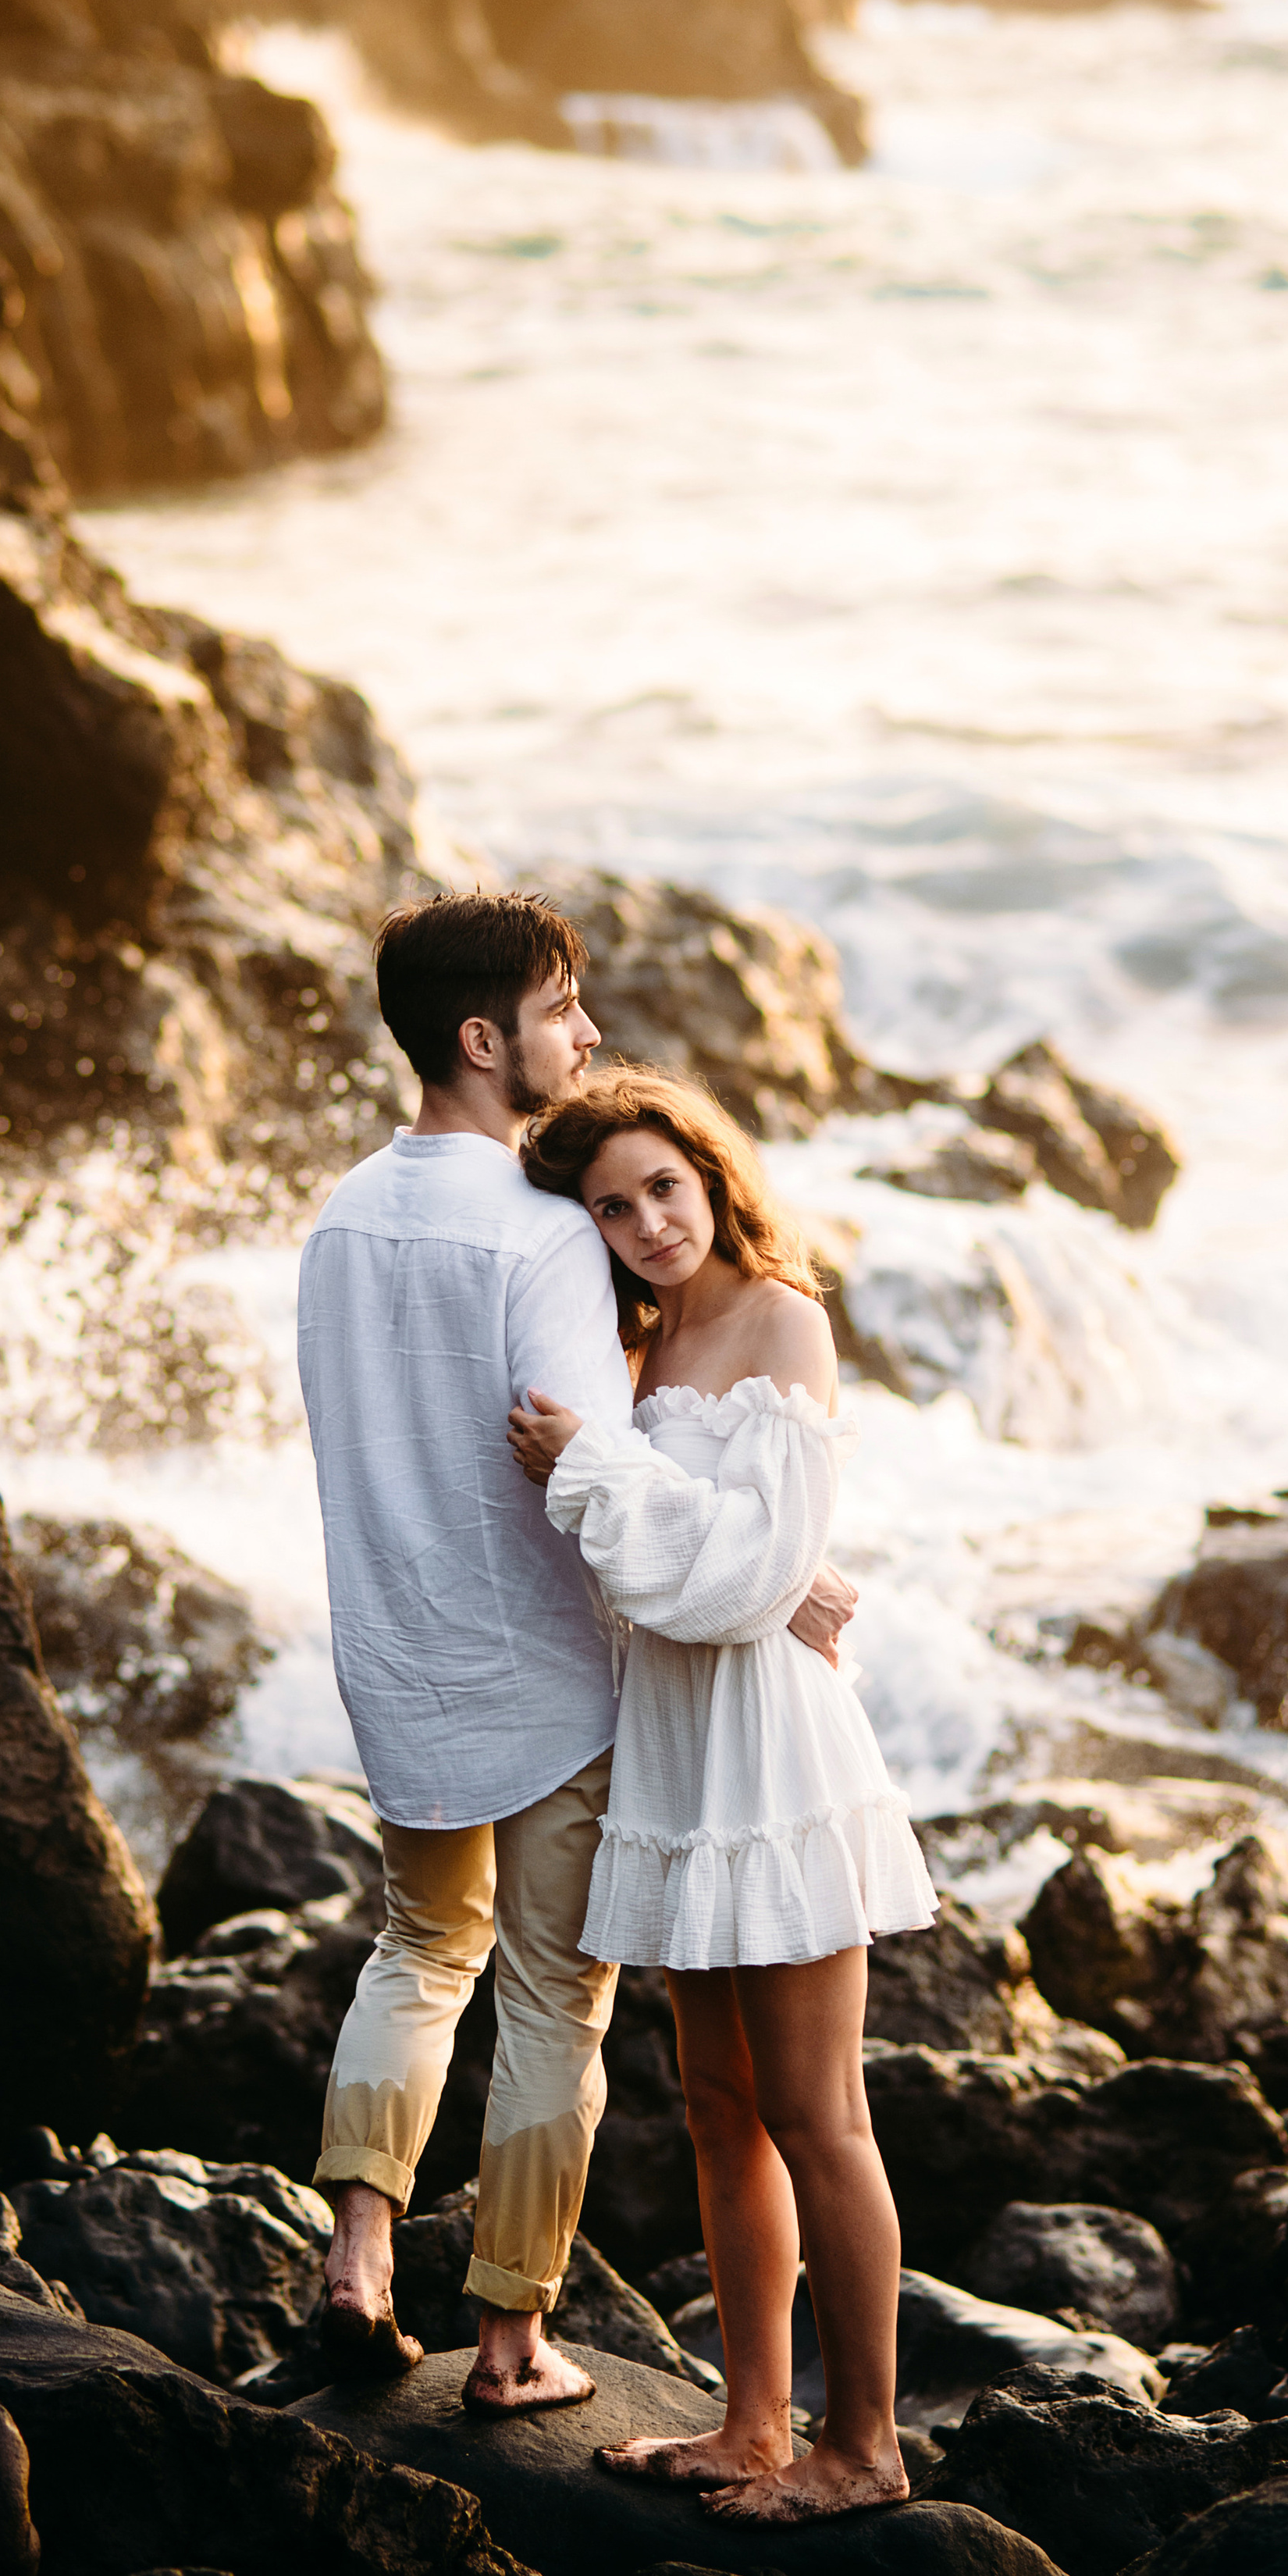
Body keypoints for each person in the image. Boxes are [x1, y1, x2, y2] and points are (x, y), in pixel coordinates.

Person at [297, 894, 857, 2414]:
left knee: (420, 1947)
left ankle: (354, 2257)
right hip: (543, 1672)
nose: (587, 1034)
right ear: (484, 1040)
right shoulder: (541, 1229)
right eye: (561, 1011)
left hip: (395, 1656)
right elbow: (602, 1481)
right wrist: (786, 1582)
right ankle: (507, 2341)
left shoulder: (343, 1214)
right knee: (555, 2000)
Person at [508, 1065, 937, 2519]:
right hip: (679, 1757)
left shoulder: (783, 1320)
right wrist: (756, 1559)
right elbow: (680, 1565)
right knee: (715, 2107)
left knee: (819, 2114)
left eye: (664, 1188)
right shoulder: (634, 1346)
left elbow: (745, 1567)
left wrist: (601, 1475)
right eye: (611, 1208)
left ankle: (863, 2448)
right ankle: (752, 2425)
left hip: (773, 1755)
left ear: (712, 1177)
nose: (647, 1223)